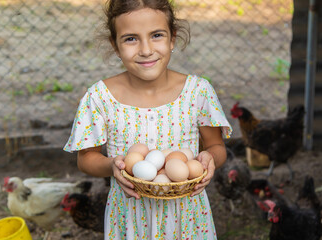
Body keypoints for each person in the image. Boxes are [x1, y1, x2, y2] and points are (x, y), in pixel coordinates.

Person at [64, 0, 232, 239]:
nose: (145, 49)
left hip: (187, 217)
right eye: (131, 38)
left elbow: (216, 147)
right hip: (129, 216)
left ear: (172, 38)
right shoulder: (100, 98)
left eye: (156, 35)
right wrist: (112, 165)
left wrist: (209, 158)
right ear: (115, 45)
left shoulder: (198, 92)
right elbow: (86, 158)